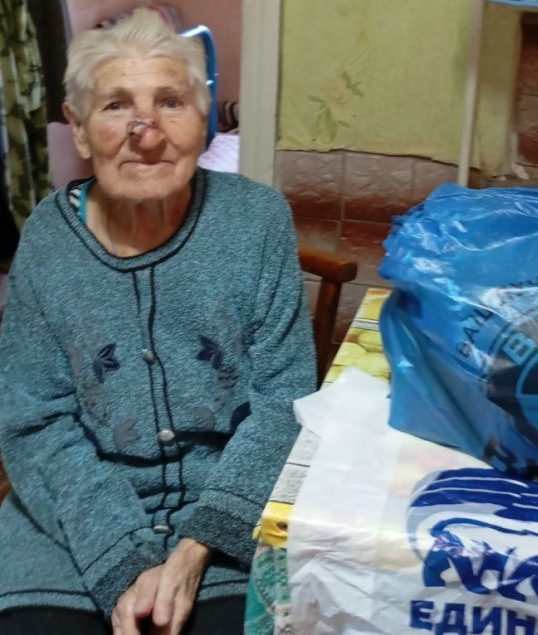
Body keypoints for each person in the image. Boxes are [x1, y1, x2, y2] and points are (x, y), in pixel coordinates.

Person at [0, 9, 316, 635]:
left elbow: (284, 401)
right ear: (80, 128)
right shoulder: (46, 241)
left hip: (230, 511)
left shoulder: (257, 221)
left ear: (204, 121)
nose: (146, 133)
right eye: (116, 105)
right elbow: (34, 421)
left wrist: (195, 551)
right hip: (72, 521)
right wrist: (124, 560)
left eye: (170, 103)